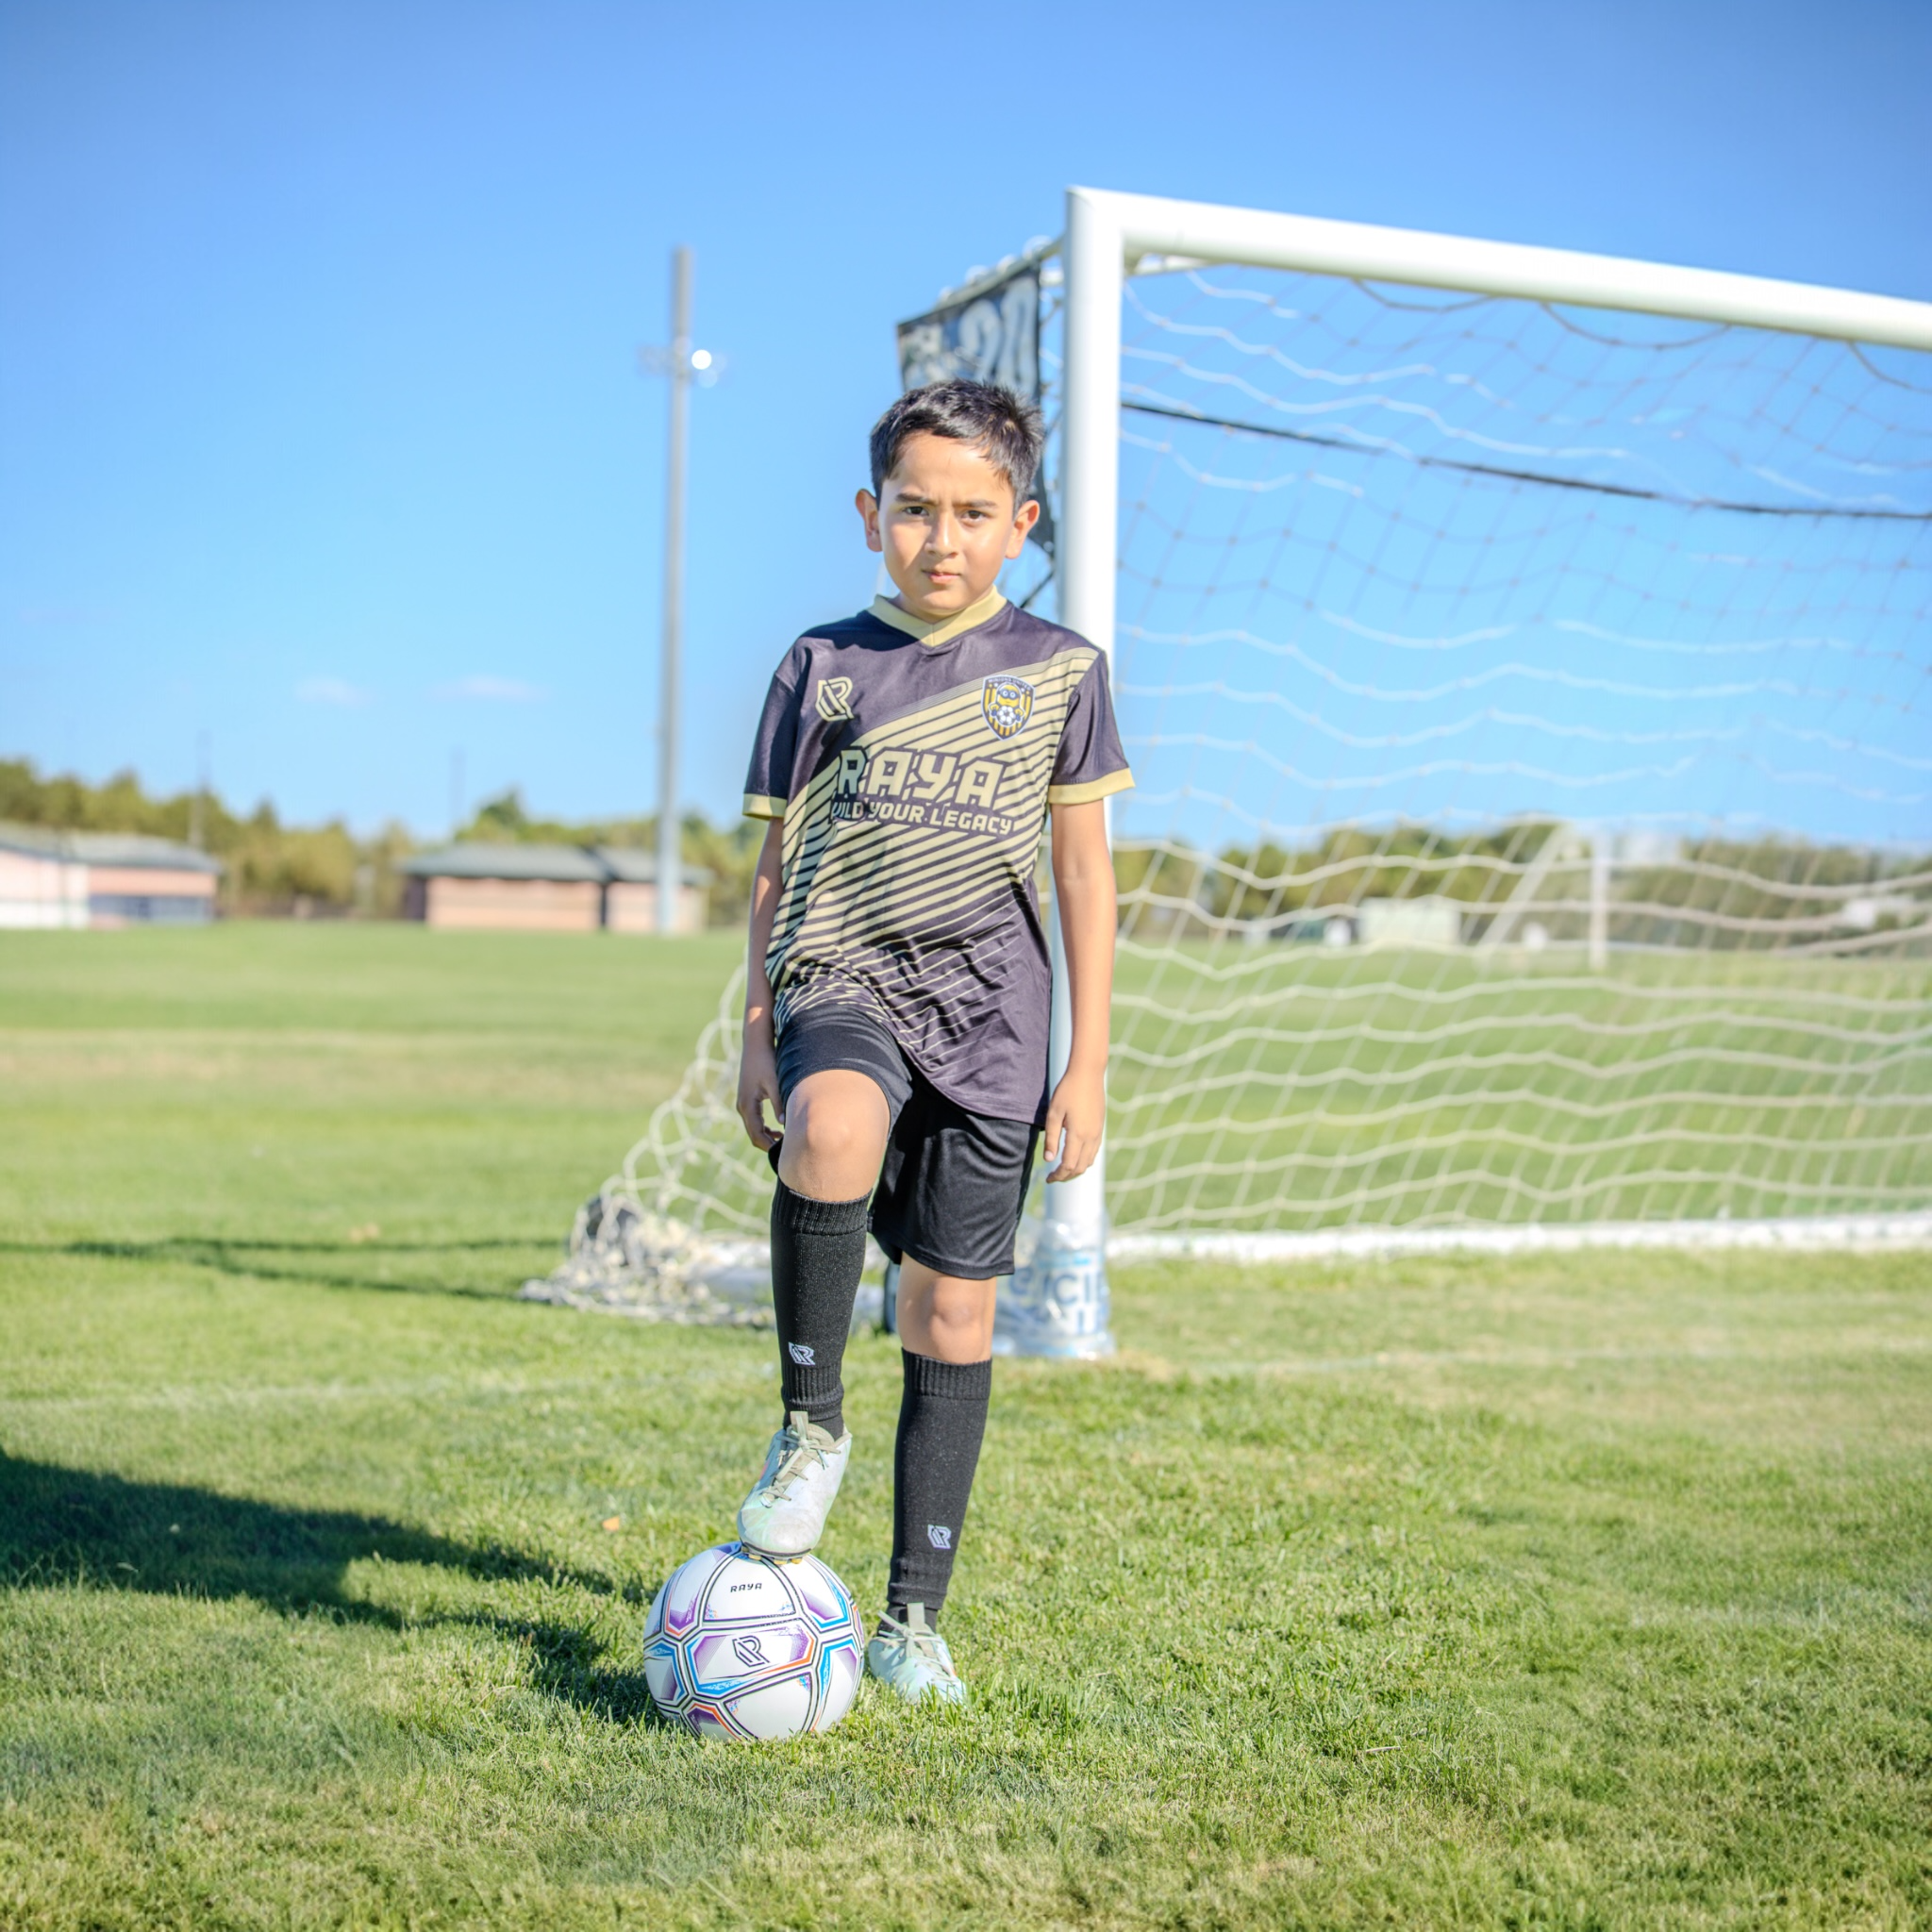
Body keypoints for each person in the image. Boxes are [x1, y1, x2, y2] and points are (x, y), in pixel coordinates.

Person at [732, 376, 1131, 1706]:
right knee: (830, 1129)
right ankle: (810, 1429)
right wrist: (754, 1031)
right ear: (871, 516)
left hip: (996, 1018)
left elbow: (1085, 877)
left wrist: (1087, 1061)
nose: (940, 538)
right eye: (914, 510)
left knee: (953, 1314)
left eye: (970, 513)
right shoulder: (821, 666)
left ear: (1021, 523)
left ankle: (912, 1622)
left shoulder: (1062, 669)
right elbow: (772, 870)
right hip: (844, 975)